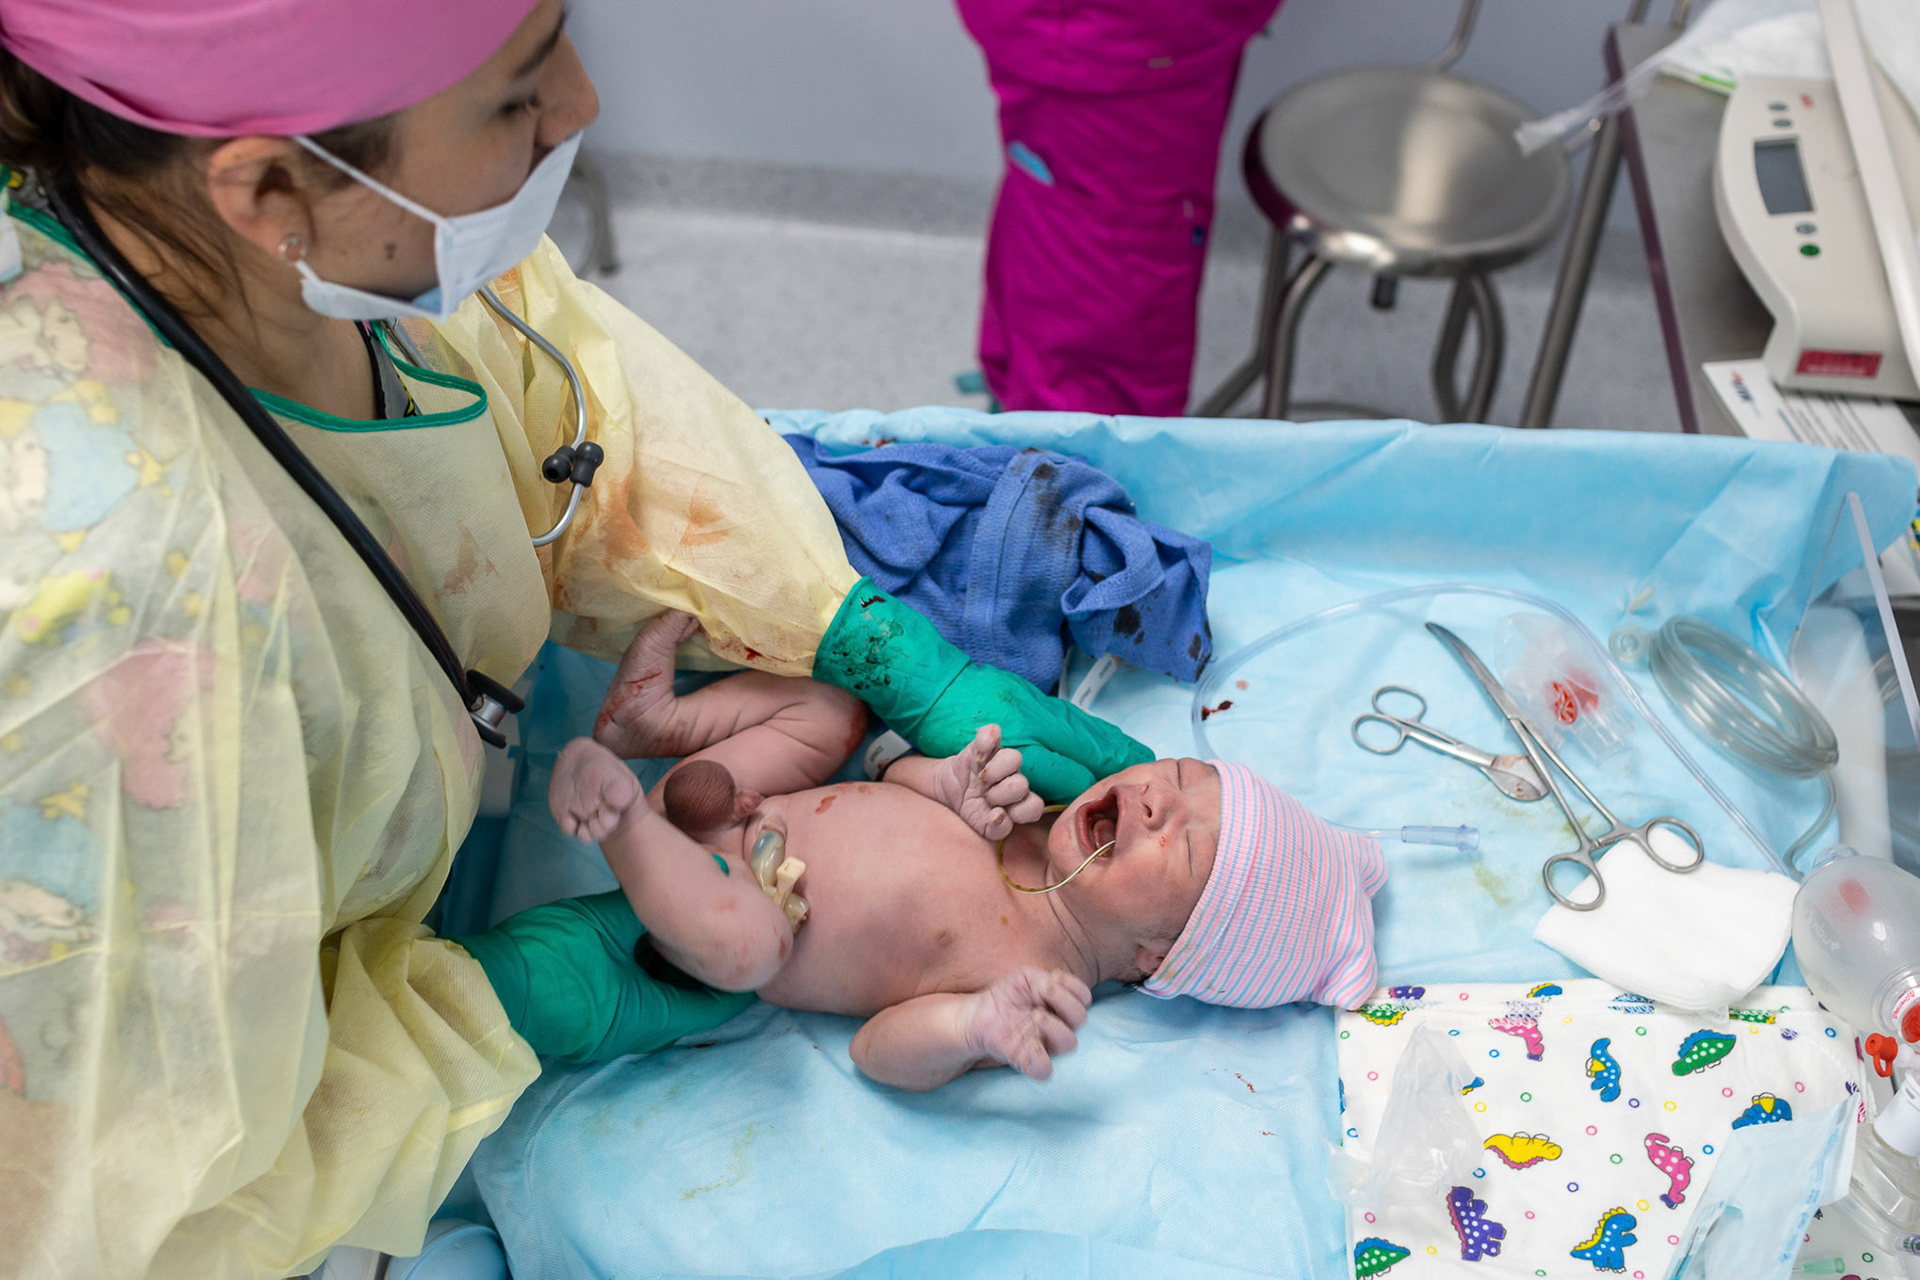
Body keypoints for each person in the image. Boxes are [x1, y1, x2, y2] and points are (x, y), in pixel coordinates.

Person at [0, 2, 1151, 1274]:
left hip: (723, 838)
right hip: (625, 920)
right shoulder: (105, 606)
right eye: (515, 94)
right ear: (273, 186)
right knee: (739, 927)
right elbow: (129, 1174)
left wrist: (870, 654)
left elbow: (572, 398)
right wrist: (510, 997)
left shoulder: (342, 253)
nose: (583, 105)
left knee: (787, 773)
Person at [490, 611, 1389, 1091]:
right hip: (742, 799)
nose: (1158, 799)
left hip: (727, 907)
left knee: (748, 948)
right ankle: (655, 725)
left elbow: (878, 1051)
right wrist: (941, 779)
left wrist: (970, 1029)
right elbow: (888, 780)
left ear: (1157, 956)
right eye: (1186, 777)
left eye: (1183, 845)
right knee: (829, 711)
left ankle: (623, 823)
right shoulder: (1031, 815)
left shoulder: (1025, 975)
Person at [957, 0, 1284, 417]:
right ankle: (1063, 435)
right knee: (1112, 284)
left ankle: (1025, 401)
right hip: (1117, 33)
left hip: (1121, 34)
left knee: (1053, 209)